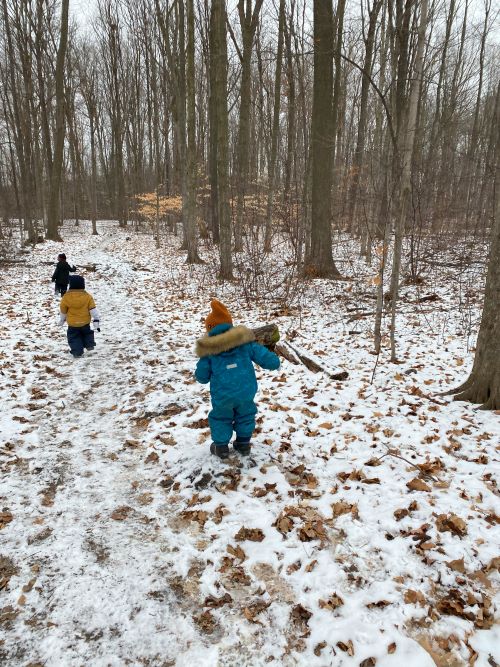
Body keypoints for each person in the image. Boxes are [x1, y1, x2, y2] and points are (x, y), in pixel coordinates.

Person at [195, 299, 280, 459]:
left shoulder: (209, 352)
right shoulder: (246, 343)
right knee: (246, 414)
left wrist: (201, 372)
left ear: (210, 329)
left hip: (222, 394)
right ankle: (243, 444)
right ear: (230, 324)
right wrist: (275, 361)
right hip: (245, 391)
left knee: (221, 416)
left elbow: (202, 377)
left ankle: (220, 447)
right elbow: (268, 359)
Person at [59, 275, 100, 358]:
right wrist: (96, 319)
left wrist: (62, 320)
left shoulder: (66, 297)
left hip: (73, 324)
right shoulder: (88, 297)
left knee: (74, 337)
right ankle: (89, 344)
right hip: (85, 321)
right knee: (87, 333)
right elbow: (93, 309)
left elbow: (63, 311)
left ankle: (77, 352)